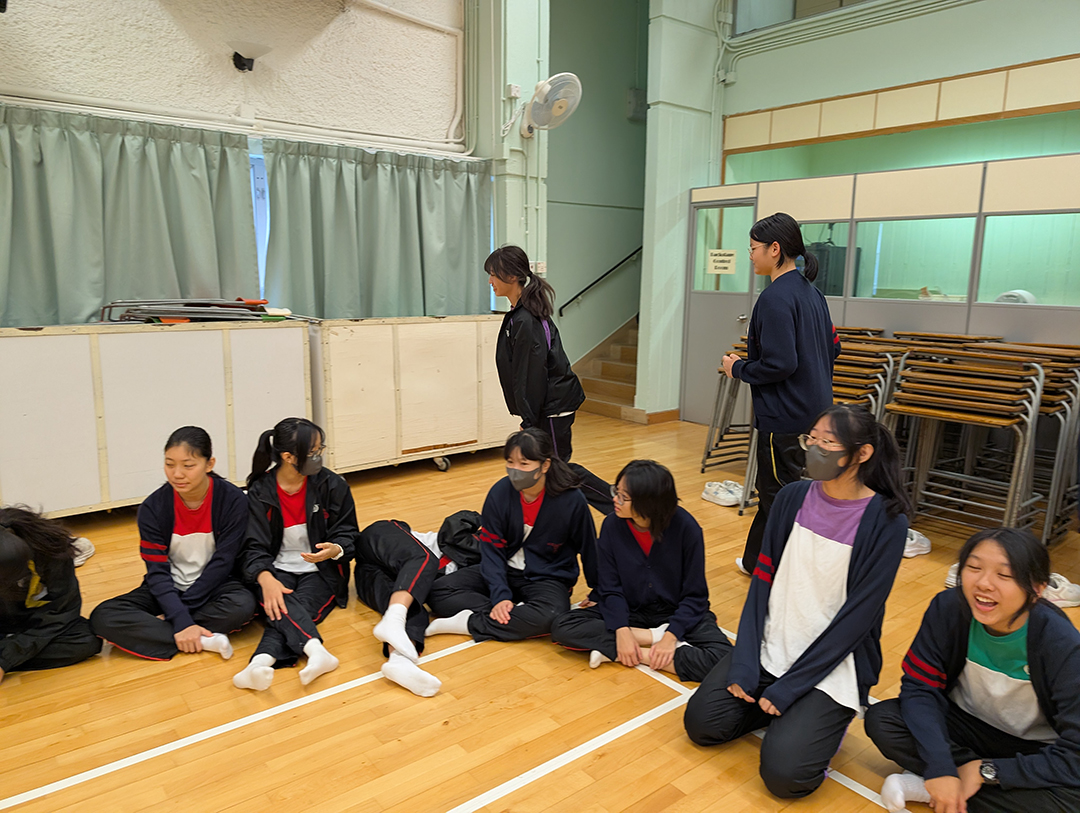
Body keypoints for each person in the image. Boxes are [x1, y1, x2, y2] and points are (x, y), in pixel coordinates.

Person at [683, 404, 910, 799]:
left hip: (832, 665)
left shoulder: (886, 522)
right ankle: (787, 713)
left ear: (861, 453)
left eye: (828, 442)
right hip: (773, 646)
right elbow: (761, 585)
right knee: (703, 724)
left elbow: (856, 622)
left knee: (785, 776)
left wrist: (790, 688)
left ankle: (817, 719)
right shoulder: (792, 498)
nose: (814, 449)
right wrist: (745, 660)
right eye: (812, 439)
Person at [865, 527, 1080, 813]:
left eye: (1005, 575)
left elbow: (1075, 753)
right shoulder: (948, 609)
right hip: (965, 726)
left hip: (1032, 748)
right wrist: (940, 765)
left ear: (1037, 590)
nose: (984, 583)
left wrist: (988, 771)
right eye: (974, 568)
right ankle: (950, 782)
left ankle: (933, 788)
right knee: (884, 720)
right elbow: (920, 689)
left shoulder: (1061, 644)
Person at [720, 212, 841, 575]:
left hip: (784, 417)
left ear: (774, 249)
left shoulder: (774, 298)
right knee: (780, 491)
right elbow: (834, 347)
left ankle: (783, 574)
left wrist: (737, 368)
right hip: (815, 414)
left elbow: (780, 364)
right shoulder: (812, 294)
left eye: (753, 248)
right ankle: (755, 560)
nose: (750, 255)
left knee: (778, 496)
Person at [550, 460, 731, 681]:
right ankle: (652, 639)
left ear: (649, 503)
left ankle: (625, 653)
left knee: (725, 660)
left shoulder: (686, 528)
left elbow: (696, 595)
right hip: (630, 610)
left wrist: (672, 634)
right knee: (563, 626)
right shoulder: (611, 525)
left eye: (623, 497)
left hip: (674, 611)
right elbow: (610, 587)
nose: (615, 500)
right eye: (616, 492)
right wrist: (622, 630)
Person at [90, 427, 255, 661]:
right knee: (103, 615)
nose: (177, 474)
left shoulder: (232, 500)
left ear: (209, 464)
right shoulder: (153, 508)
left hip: (216, 584)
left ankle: (165, 632)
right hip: (168, 587)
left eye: (188, 466)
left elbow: (223, 562)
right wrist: (180, 618)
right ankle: (203, 640)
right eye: (169, 464)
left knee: (243, 605)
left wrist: (178, 615)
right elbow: (157, 571)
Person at [426, 428, 597, 643]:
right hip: (503, 570)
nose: (515, 470)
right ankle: (512, 613)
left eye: (524, 464)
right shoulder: (500, 493)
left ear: (545, 465)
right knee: (439, 591)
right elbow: (491, 550)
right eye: (510, 462)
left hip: (547, 577)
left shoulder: (571, 500)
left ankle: (468, 622)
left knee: (551, 615)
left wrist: (599, 590)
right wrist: (500, 596)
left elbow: (589, 548)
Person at [233, 418, 359, 691]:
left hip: (321, 570)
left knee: (290, 609)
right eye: (312, 451)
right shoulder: (260, 491)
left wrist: (336, 549)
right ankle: (316, 652)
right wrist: (265, 578)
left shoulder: (333, 485)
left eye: (320, 449)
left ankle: (259, 663)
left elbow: (349, 532)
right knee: (280, 603)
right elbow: (251, 547)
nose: (319, 456)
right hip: (274, 569)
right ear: (288, 457)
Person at [486, 245, 613, 514]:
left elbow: (530, 376)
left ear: (512, 276)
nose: (490, 281)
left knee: (557, 469)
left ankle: (618, 503)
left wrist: (529, 421)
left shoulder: (526, 318)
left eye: (493, 274)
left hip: (553, 405)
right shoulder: (520, 313)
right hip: (546, 404)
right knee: (550, 467)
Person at [354, 512, 482, 697]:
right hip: (382, 541)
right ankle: (394, 619)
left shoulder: (490, 572)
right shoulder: (484, 534)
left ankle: (399, 662)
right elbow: (453, 525)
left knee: (415, 609)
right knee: (425, 560)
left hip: (374, 576)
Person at [0, 506, 101, 681]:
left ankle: (9, 654)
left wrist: (5, 659)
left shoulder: (52, 553)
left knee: (87, 640)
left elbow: (63, 613)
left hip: (39, 621)